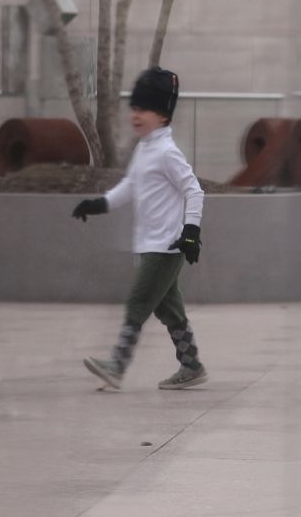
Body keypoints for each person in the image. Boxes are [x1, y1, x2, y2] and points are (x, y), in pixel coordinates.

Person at [72, 67, 207, 391]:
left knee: (139, 301)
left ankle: (117, 365)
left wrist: (190, 232)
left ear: (162, 115)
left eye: (144, 108)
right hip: (150, 243)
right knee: (168, 307)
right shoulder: (144, 149)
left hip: (167, 246)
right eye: (134, 107)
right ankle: (191, 365)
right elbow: (129, 187)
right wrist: (99, 204)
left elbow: (194, 190)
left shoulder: (167, 152)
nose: (136, 114)